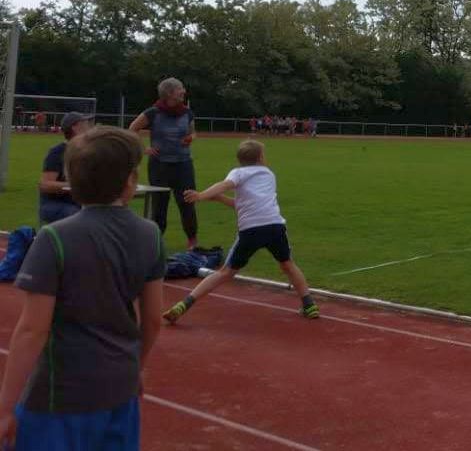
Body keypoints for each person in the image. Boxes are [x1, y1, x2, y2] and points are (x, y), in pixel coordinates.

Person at [0, 127, 165, 450]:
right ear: (130, 181)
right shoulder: (150, 234)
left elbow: (32, 330)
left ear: (72, 182)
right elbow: (153, 319)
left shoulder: (55, 237)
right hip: (120, 390)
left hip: (59, 396)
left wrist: (5, 408)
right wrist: (137, 368)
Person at [164, 140, 319, 323]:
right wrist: (219, 199)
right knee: (288, 265)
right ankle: (309, 305)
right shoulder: (268, 174)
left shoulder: (238, 173)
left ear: (240, 160)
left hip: (251, 230)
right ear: (261, 158)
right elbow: (246, 204)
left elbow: (225, 185)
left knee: (225, 272)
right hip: (275, 226)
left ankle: (184, 304)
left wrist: (201, 195)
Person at [129, 77, 200, 249]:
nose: (184, 91)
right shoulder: (153, 113)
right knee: (159, 205)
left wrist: (190, 138)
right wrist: (144, 148)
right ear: (169, 93)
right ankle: (156, 242)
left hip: (183, 164)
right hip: (159, 166)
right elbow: (132, 129)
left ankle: (192, 241)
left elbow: (193, 132)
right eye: (180, 88)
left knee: (187, 202)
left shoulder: (187, 112)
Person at [37, 112, 95, 224]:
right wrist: (74, 186)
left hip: (78, 204)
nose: (89, 127)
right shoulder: (57, 152)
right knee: (77, 215)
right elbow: (45, 185)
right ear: (75, 128)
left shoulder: (88, 152)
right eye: (85, 123)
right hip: (56, 204)